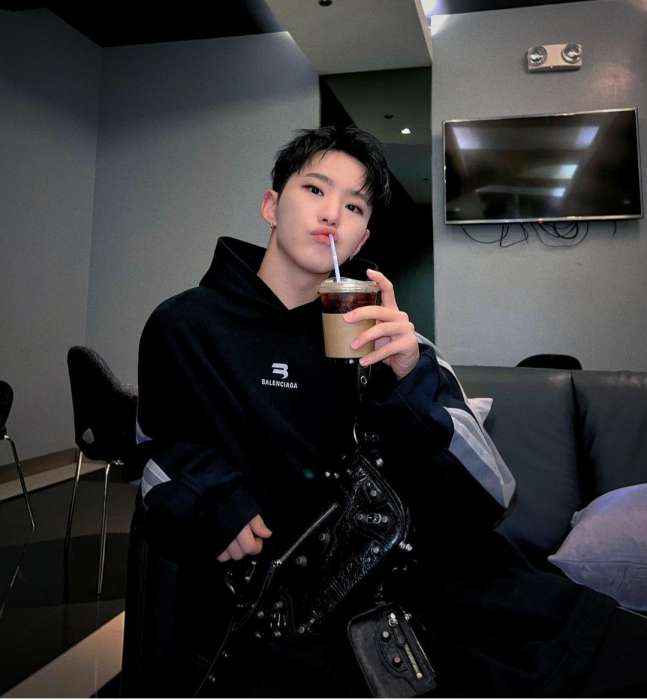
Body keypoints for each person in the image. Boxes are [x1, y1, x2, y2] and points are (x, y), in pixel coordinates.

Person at [123, 125, 647, 698]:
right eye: (315, 190)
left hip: (443, 578)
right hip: (316, 608)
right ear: (271, 206)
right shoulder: (186, 325)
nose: (332, 214)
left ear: (361, 237)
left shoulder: (386, 336)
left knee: (611, 651)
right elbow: (156, 452)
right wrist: (208, 494)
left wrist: (409, 375)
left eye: (353, 206)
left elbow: (491, 494)